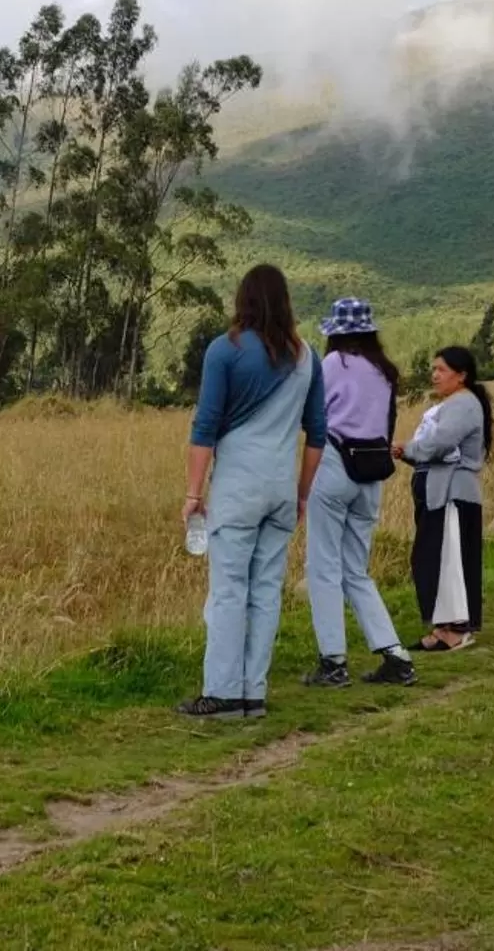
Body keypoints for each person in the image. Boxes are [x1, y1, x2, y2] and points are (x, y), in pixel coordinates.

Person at [178, 265, 328, 719]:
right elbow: (317, 435)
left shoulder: (225, 351)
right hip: (281, 488)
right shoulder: (308, 358)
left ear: (241, 300)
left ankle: (221, 692)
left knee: (227, 590)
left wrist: (192, 493)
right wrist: (302, 495)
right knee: (266, 590)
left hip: (238, 487)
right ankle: (253, 692)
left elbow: (205, 427)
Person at [297, 299, 417, 689]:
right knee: (355, 570)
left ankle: (333, 661)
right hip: (371, 473)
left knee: (322, 567)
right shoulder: (385, 372)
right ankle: (395, 654)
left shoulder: (331, 365)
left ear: (336, 331)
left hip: (333, 465)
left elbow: (310, 415)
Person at [394, 344, 492, 652]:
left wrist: (406, 448)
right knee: (436, 558)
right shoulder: (453, 404)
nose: (435, 375)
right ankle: (444, 626)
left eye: (442, 370)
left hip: (453, 493)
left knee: (450, 561)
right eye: (433, 369)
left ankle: (457, 629)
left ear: (461, 376)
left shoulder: (463, 405)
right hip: (442, 491)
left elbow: (440, 444)